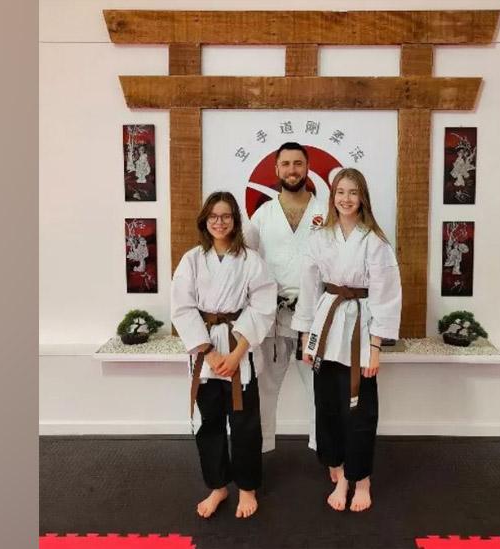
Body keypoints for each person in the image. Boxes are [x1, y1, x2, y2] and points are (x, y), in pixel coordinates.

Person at [292, 168, 402, 513]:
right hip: (327, 326)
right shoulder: (320, 238)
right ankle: (339, 473)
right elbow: (309, 289)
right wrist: (308, 341)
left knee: (360, 411)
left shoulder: (375, 241)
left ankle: (362, 479)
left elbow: (386, 295)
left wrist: (375, 348)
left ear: (363, 197)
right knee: (327, 407)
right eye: (341, 191)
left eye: (353, 192)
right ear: (333, 196)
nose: (346, 198)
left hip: (359, 327)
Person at [171, 191, 278, 519]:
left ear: (235, 221)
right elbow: (182, 307)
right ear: (205, 220)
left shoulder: (251, 261)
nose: (220, 222)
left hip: (240, 352)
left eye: (226, 216)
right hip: (206, 355)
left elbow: (262, 306)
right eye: (213, 216)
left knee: (245, 425)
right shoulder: (191, 259)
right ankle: (217, 486)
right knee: (208, 423)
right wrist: (211, 354)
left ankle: (247, 487)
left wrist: (235, 354)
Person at [245, 142, 328, 458]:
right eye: (286, 164)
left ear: (307, 168)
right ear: (276, 169)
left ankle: (325, 450)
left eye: (298, 163)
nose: (292, 170)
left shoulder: (326, 212)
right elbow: (248, 263)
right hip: (274, 314)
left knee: (318, 388)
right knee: (265, 386)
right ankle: (261, 450)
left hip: (316, 313)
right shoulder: (262, 215)